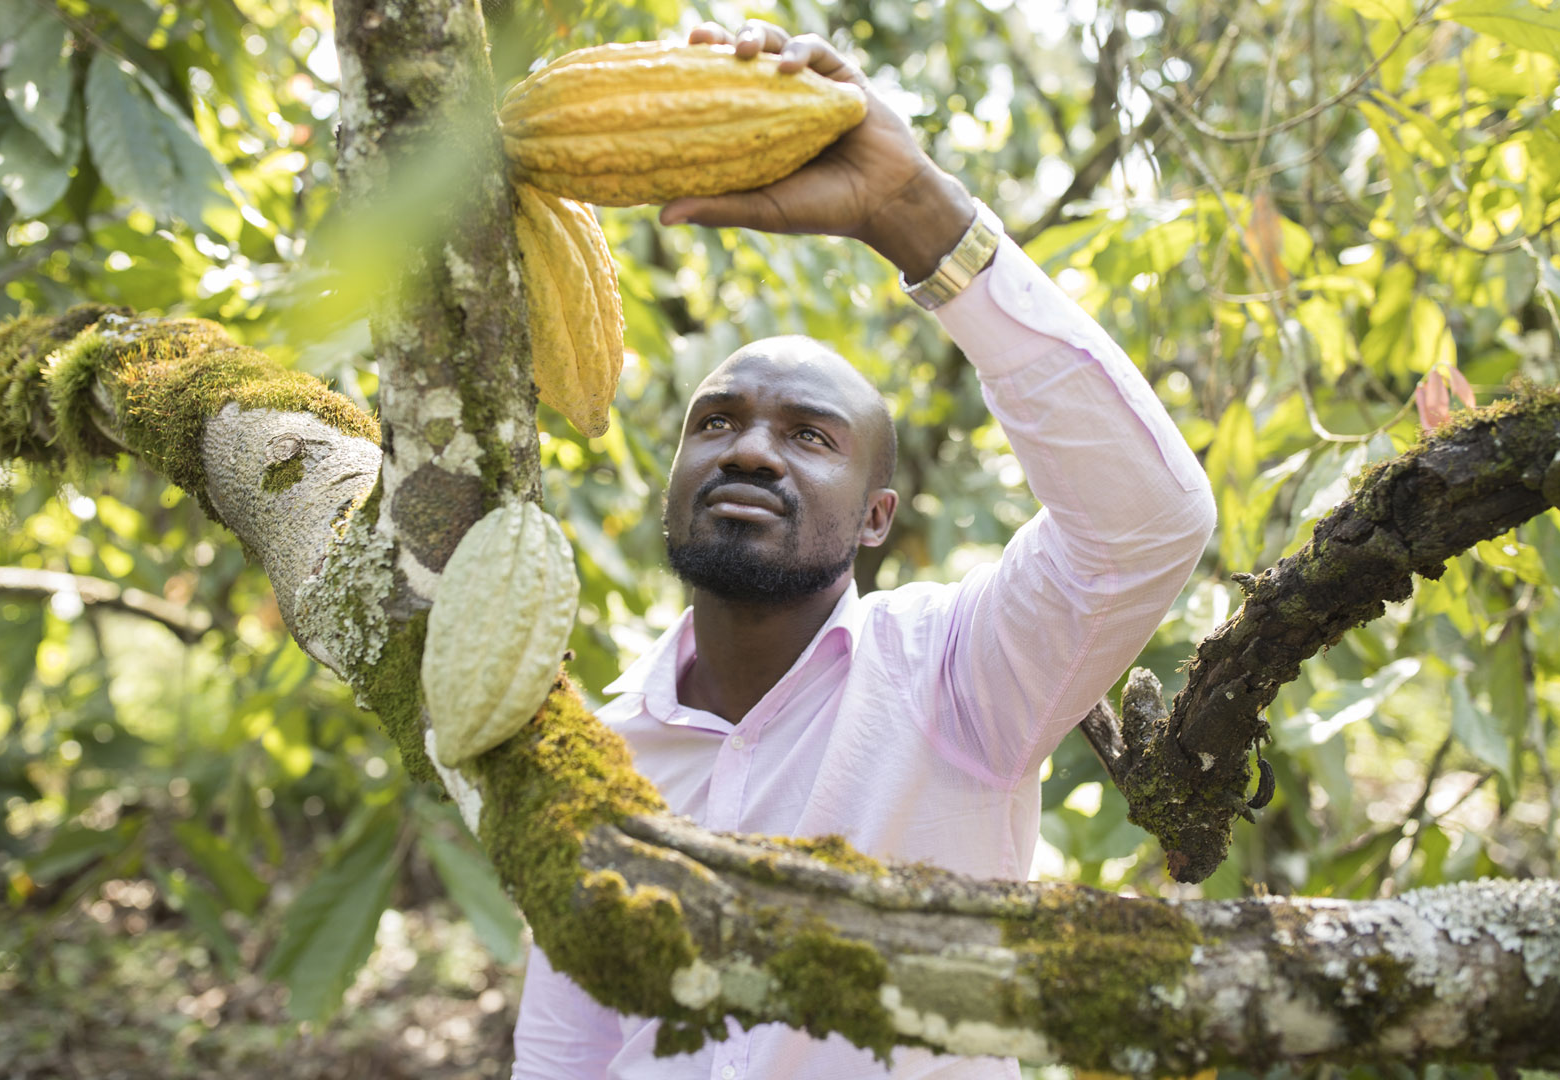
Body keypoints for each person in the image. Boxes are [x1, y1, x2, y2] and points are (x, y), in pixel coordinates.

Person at [512, 18, 1217, 1080]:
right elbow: (567, 1048)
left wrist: (911, 211)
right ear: (673, 480)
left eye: (808, 435)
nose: (750, 449)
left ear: (877, 516)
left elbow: (1148, 523)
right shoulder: (594, 757)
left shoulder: (959, 675)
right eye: (717, 422)